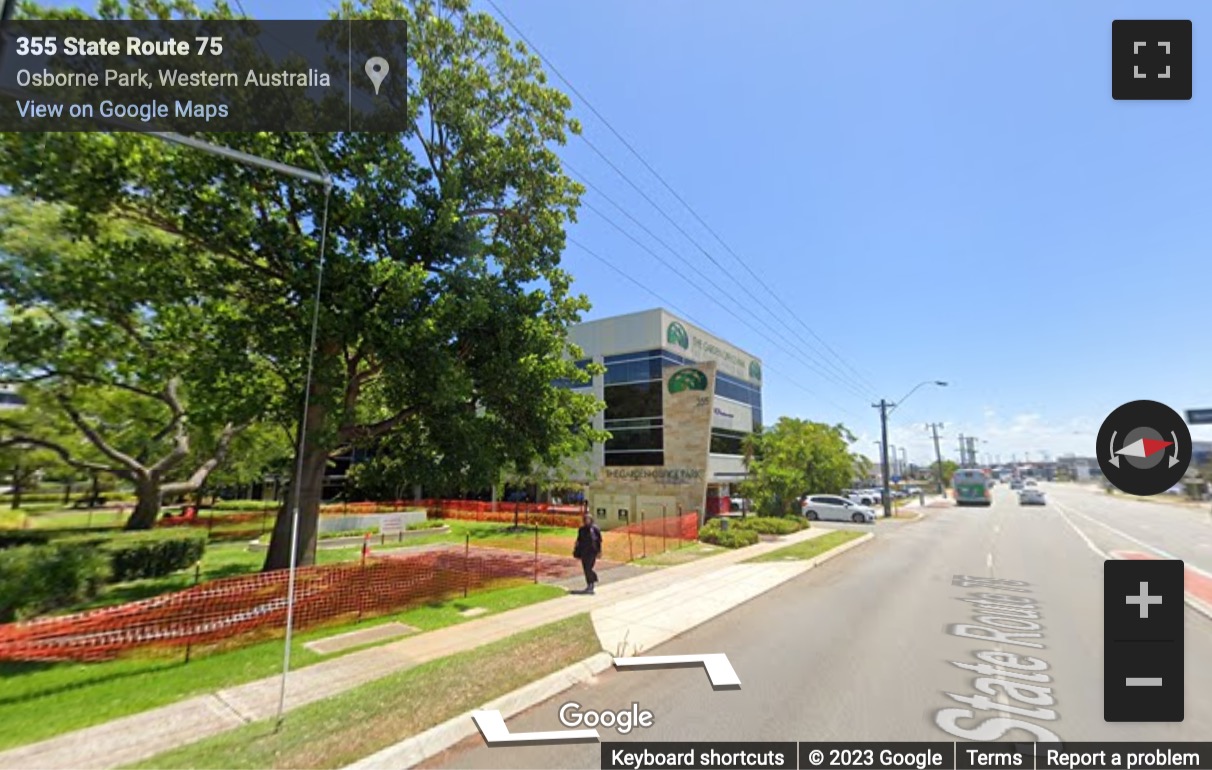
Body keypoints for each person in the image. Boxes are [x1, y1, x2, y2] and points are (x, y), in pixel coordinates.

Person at [573, 513, 602, 594]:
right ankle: (589, 584)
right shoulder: (581, 530)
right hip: (584, 551)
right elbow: (579, 540)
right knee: (585, 568)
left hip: (592, 551)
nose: (587, 521)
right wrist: (577, 550)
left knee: (589, 567)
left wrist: (599, 551)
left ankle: (593, 580)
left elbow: (599, 541)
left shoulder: (595, 529)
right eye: (585, 519)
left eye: (588, 519)